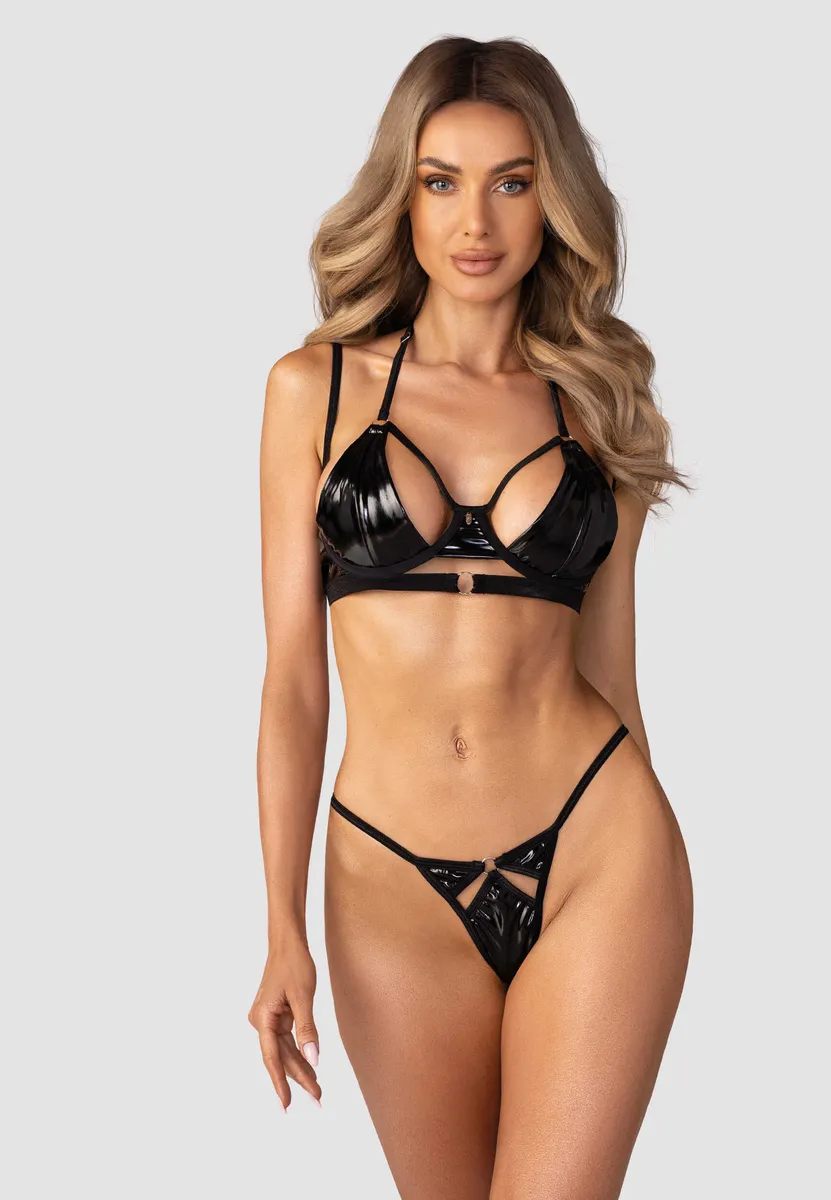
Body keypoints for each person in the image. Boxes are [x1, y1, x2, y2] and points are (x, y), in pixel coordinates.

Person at [250, 35, 694, 1198]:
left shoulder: (598, 403)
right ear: (402, 197)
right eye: (442, 181)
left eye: (513, 181)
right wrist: (281, 923)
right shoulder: (312, 391)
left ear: (556, 200)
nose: (475, 222)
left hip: (597, 850)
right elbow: (293, 682)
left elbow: (611, 670)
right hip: (390, 885)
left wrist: (656, 883)